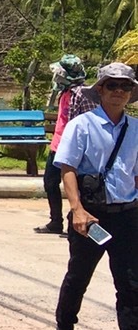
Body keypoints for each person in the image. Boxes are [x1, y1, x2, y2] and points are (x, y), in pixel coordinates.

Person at [53, 61, 138, 330]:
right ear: (100, 90)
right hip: (91, 215)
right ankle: (65, 325)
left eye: (125, 86)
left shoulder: (135, 129)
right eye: (112, 85)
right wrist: (77, 210)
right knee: (79, 274)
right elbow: (68, 169)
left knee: (131, 284)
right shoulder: (82, 125)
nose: (118, 91)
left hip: (127, 214)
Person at [37, 54, 96, 234]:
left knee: (77, 185)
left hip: (72, 148)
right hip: (58, 145)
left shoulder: (82, 94)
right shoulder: (65, 93)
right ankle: (55, 221)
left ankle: (78, 220)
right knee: (50, 182)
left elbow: (85, 122)